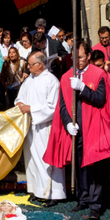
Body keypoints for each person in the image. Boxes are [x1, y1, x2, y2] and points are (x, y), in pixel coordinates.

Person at [44, 40, 110, 219]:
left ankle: (96, 204)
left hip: (95, 128)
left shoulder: (98, 74)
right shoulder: (66, 76)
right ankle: (83, 199)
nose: (76, 61)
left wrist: (83, 89)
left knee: (96, 168)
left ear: (88, 56)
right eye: (74, 57)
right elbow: (62, 105)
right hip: (76, 128)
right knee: (80, 165)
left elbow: (100, 99)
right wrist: (67, 123)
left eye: (80, 57)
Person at [15, 51, 65, 206]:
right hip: (30, 125)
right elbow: (20, 97)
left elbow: (53, 107)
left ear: (40, 64)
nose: (28, 67)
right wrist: (19, 104)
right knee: (31, 159)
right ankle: (36, 190)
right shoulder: (29, 79)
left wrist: (31, 108)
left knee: (45, 159)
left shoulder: (51, 81)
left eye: (30, 64)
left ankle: (52, 193)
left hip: (44, 126)